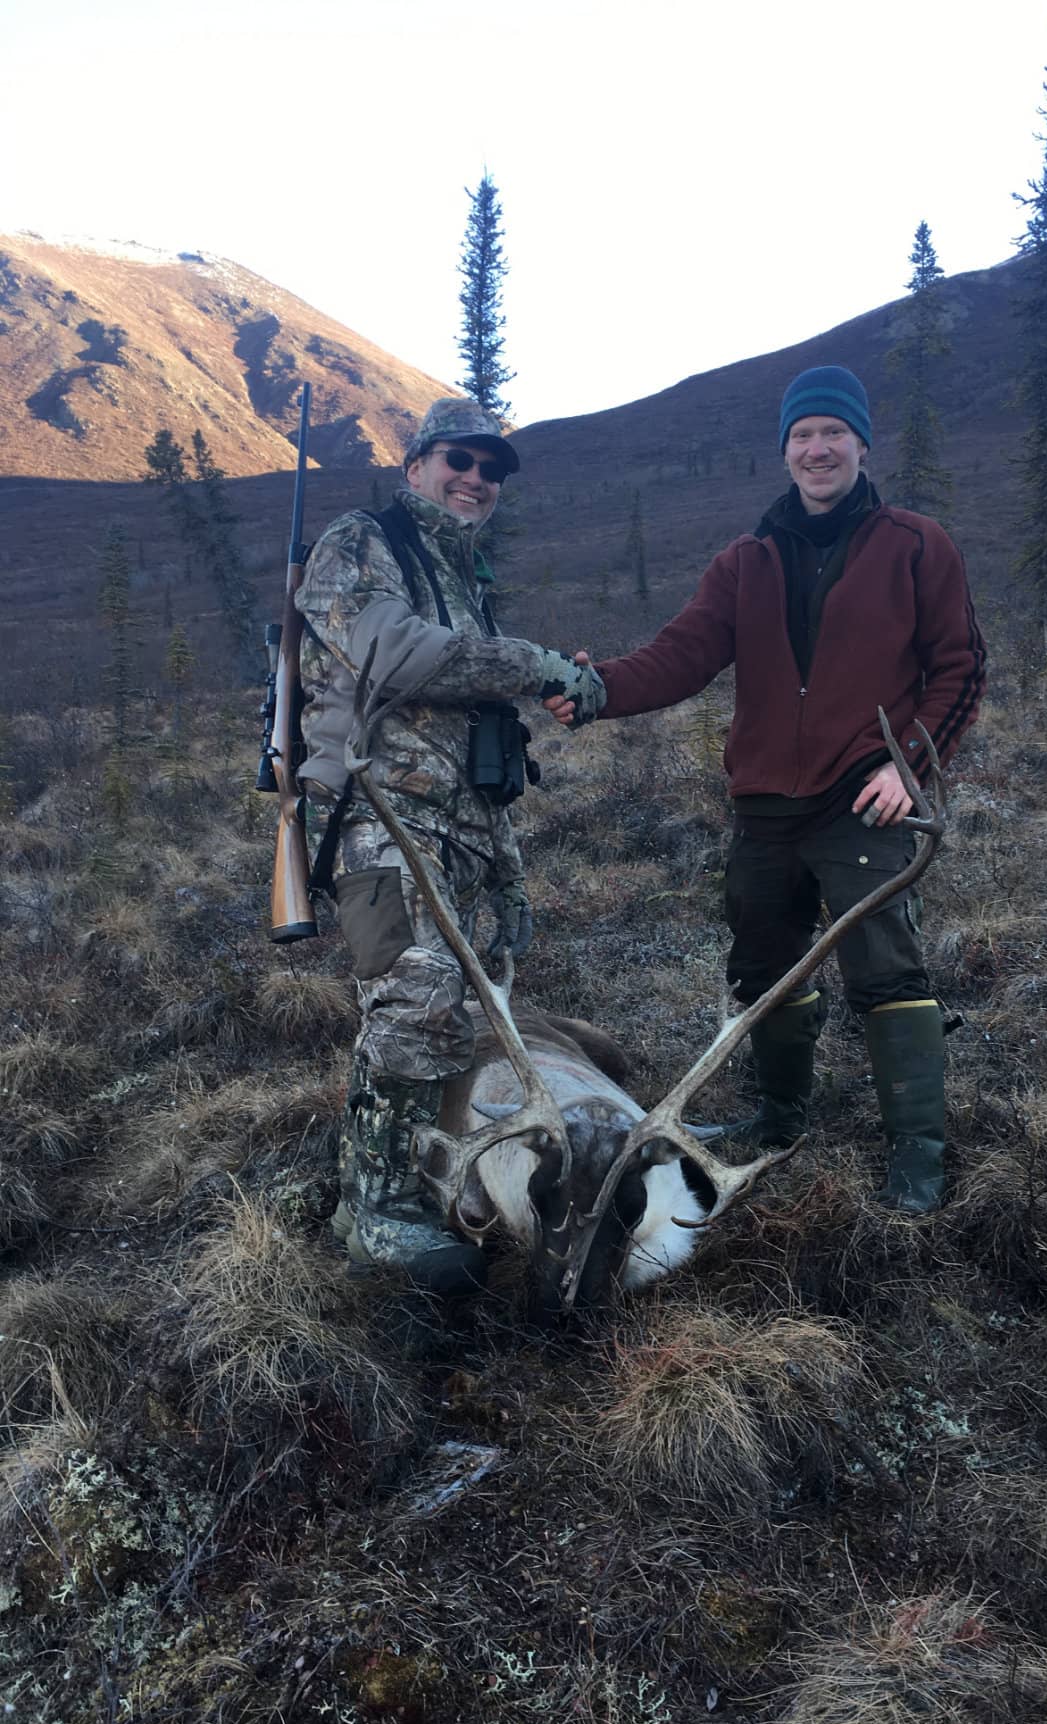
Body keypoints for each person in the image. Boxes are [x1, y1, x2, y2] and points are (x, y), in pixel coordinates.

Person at [546, 367, 986, 1214]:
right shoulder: (746, 562)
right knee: (761, 968)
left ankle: (917, 1162)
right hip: (764, 806)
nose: (817, 450)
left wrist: (909, 767)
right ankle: (780, 1119)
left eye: (832, 433)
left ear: (861, 443)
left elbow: (960, 671)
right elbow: (681, 655)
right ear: (784, 454)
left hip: (866, 795)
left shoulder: (917, 544)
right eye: (801, 437)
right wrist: (597, 691)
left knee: (886, 971)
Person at [296, 398, 605, 1293]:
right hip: (377, 815)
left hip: (459, 831)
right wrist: (539, 665)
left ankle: (422, 1173)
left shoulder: (462, 576)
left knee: (463, 1015)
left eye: (491, 469)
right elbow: (394, 653)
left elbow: (478, 752)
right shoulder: (362, 543)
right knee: (416, 998)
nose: (476, 479)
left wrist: (506, 876)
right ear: (417, 464)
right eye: (458, 461)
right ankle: (372, 1208)